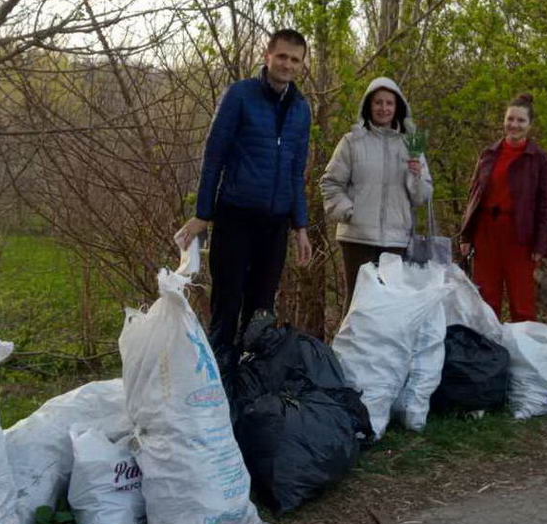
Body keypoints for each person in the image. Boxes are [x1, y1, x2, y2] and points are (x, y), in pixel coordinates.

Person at [177, 29, 313, 371]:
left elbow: (298, 171)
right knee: (227, 301)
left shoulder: (301, 109)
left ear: (301, 65)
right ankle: (217, 381)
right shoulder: (240, 95)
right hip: (235, 215)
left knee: (261, 310)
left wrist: (301, 227)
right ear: (267, 56)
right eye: (281, 56)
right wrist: (202, 214)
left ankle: (250, 383)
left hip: (276, 222)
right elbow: (214, 156)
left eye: (295, 59)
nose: (287, 64)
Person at [320, 77, 432, 299]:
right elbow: (330, 183)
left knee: (390, 307)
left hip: (396, 241)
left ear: (397, 107)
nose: (384, 108)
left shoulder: (410, 145)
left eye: (389, 103)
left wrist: (416, 174)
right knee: (357, 306)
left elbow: (422, 197)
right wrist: (350, 212)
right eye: (378, 103)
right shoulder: (352, 142)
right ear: (368, 106)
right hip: (357, 239)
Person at [458, 93, 547, 322]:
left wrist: (541, 243)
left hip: (520, 236)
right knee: (486, 301)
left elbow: (546, 204)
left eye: (521, 121)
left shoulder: (539, 160)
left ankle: (523, 353)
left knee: (522, 302)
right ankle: (488, 351)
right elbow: (474, 195)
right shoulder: (489, 154)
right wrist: (466, 234)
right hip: (486, 232)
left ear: (530, 125)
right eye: (510, 119)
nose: (514, 125)